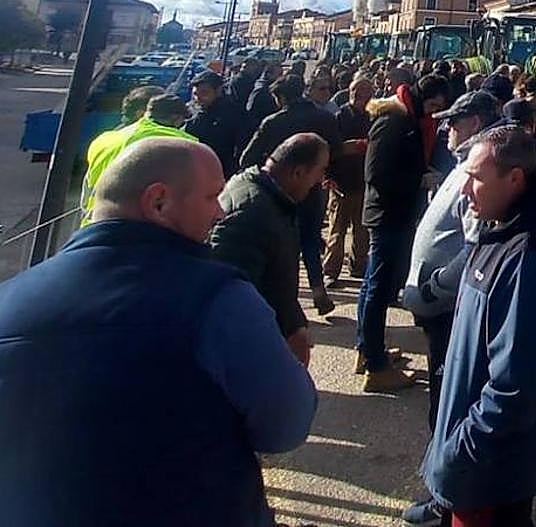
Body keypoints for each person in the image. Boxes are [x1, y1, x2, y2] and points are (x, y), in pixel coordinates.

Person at [0, 138, 317, 526]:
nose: (219, 212)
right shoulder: (220, 300)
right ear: (159, 202)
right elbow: (286, 426)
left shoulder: (9, 300)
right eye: (211, 197)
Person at [422, 126, 536, 524]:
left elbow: (513, 389)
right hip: (476, 467)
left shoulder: (528, 260)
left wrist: (455, 453)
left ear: (515, 179)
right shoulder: (498, 229)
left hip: (489, 472)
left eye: (477, 178)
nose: (466, 190)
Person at [400, 90, 500, 527]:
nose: (445, 128)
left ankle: (449, 501)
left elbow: (476, 247)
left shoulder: (478, 172)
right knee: (442, 404)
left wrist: (434, 287)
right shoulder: (461, 163)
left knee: (450, 406)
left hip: (447, 309)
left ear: (476, 123)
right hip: (437, 307)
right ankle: (445, 492)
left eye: (454, 121)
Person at [358, 74, 450, 393]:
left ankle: (369, 349)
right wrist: (418, 180)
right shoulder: (394, 120)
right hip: (387, 215)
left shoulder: (408, 117)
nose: (435, 113)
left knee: (375, 284)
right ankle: (375, 365)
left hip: (394, 213)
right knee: (378, 288)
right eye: (434, 105)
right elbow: (377, 173)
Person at [211, 133, 330, 368]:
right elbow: (233, 298)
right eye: (320, 170)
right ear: (298, 173)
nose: (321, 180)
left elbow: (278, 272)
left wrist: (295, 323)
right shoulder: (250, 213)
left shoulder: (275, 198)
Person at [241, 74, 342, 317]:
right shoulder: (324, 117)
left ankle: (289, 297)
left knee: (283, 245)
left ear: (282, 97)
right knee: (309, 238)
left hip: (279, 191)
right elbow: (337, 149)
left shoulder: (273, 121)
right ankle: (317, 287)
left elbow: (247, 158)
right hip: (312, 187)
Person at [81, 93, 195, 223]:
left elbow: (87, 190)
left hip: (95, 222)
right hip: (141, 229)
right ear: (176, 119)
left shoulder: (105, 138)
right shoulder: (184, 145)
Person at [324, 75, 373, 284]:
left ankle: (358, 267)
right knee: (337, 231)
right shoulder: (339, 116)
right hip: (340, 182)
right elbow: (329, 148)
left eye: (363, 92)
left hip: (364, 182)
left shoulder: (374, 115)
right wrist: (328, 176)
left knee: (362, 233)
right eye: (355, 91)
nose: (359, 96)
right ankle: (330, 272)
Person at [185, 69, 248, 178]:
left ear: (218, 91)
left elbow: (241, 145)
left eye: (204, 93)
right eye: (195, 94)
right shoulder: (192, 111)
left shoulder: (233, 114)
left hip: (221, 169)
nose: (198, 98)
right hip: (196, 167)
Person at [245, 61, 284, 129]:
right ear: (269, 74)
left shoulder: (272, 87)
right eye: (279, 74)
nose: (281, 77)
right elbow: (250, 110)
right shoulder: (261, 89)